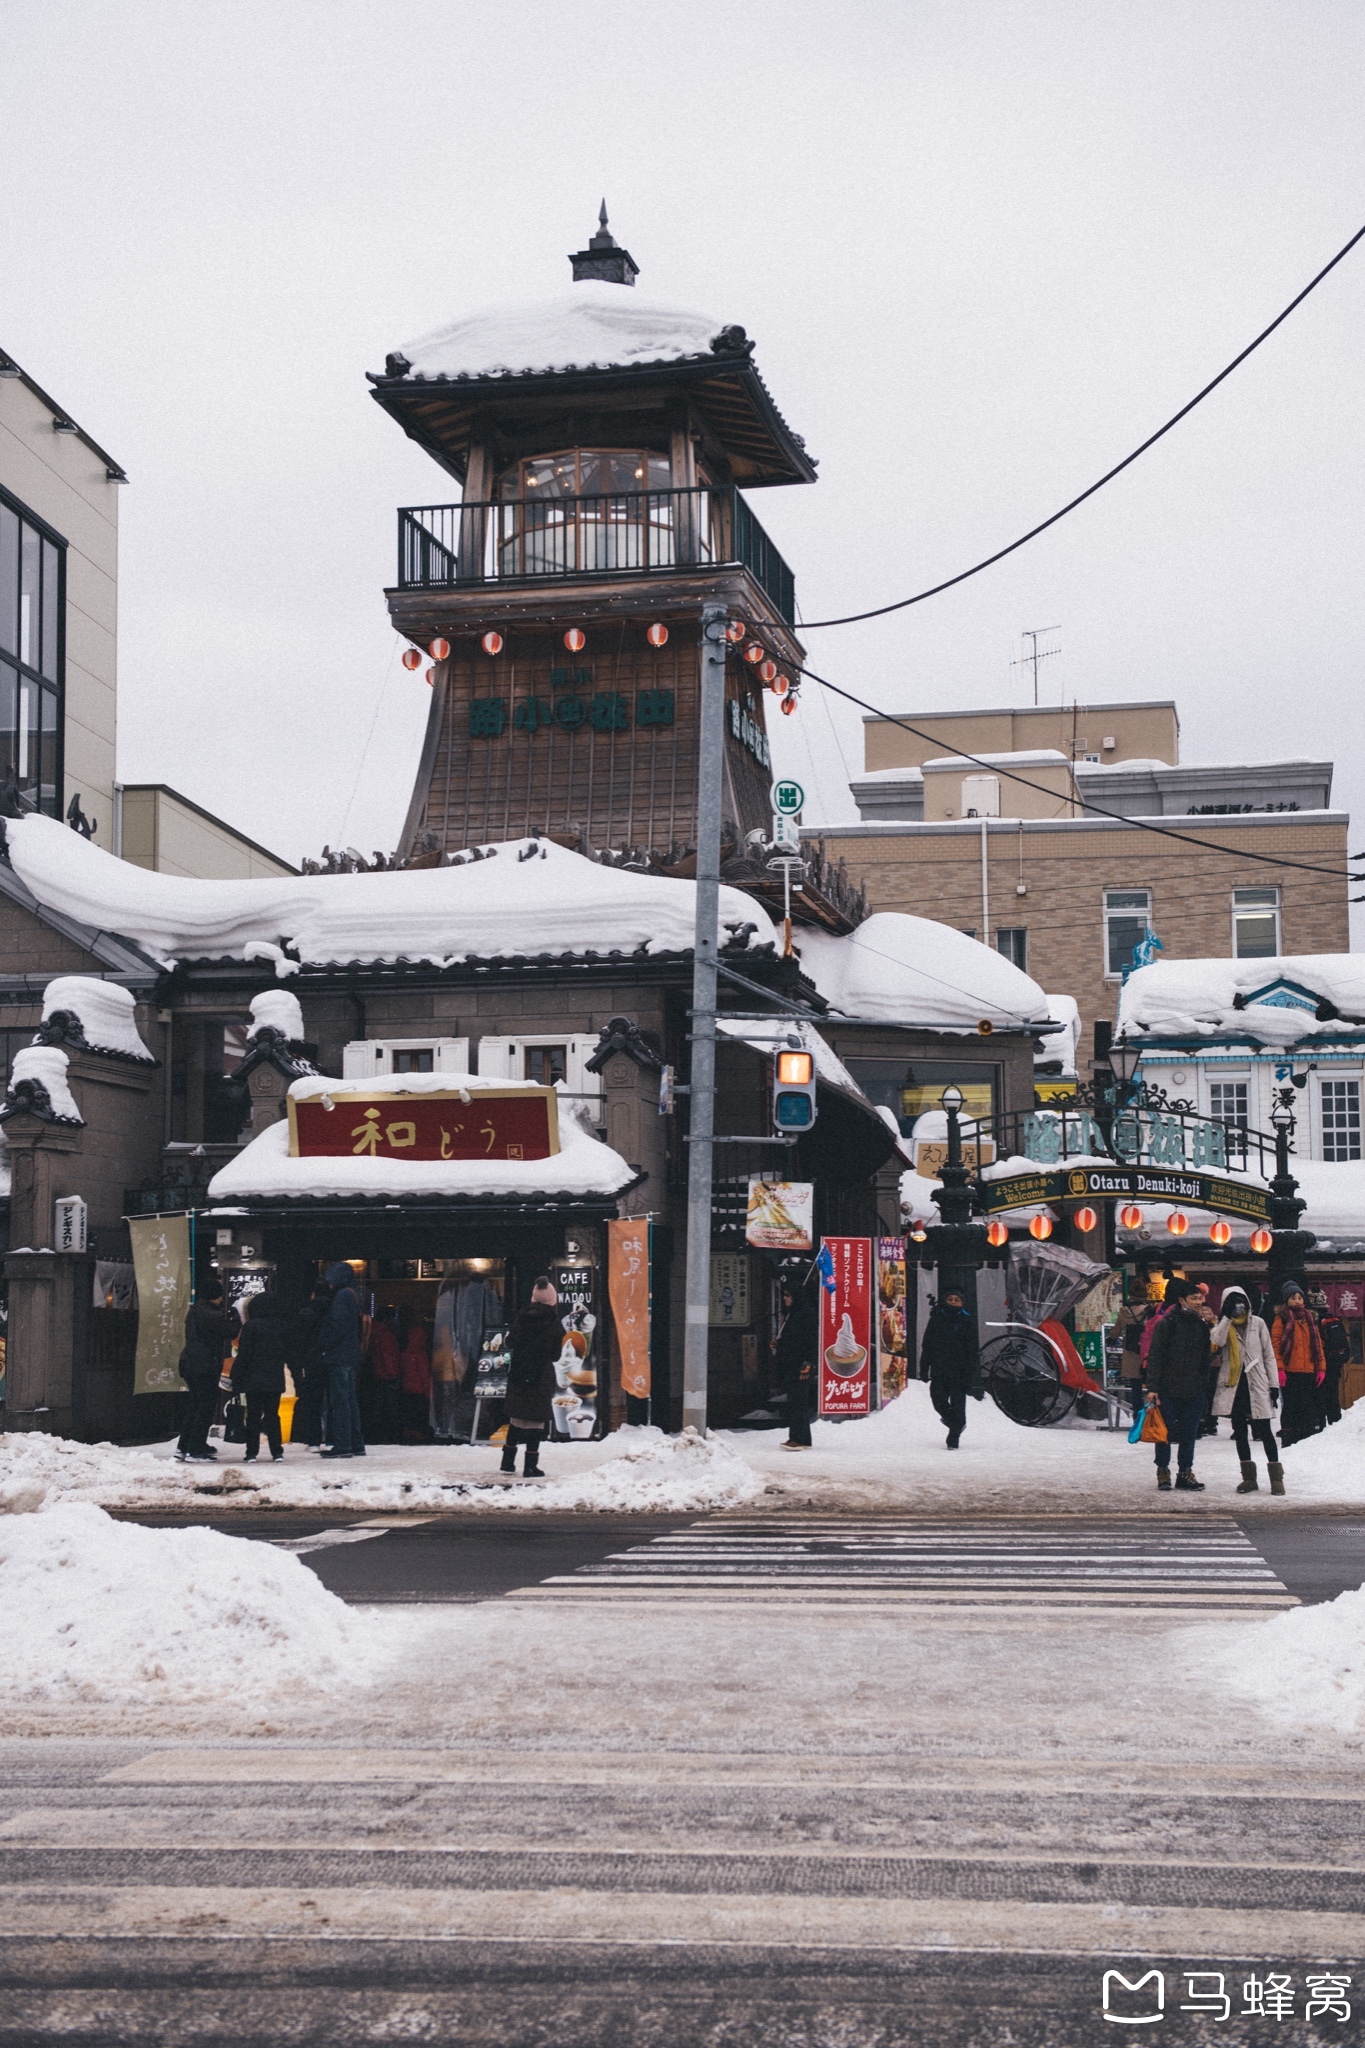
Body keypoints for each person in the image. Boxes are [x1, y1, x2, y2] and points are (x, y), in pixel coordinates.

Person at [1210, 1285, 1284, 1495]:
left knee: (1265, 1431)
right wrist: (1226, 1318)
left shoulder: (1258, 1323)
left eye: (1241, 1301)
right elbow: (1217, 1341)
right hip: (1235, 1385)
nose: (1238, 1306)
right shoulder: (1223, 1324)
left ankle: (1276, 1479)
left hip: (1257, 1382)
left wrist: (1274, 1385)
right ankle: (1249, 1478)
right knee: (1240, 1432)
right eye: (1233, 1302)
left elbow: (1269, 1355)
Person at [1144, 1276, 1216, 1490]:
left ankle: (1185, 1472)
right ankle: (1163, 1471)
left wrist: (1204, 1385)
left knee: (1189, 1433)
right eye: (1194, 1298)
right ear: (1182, 1300)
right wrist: (1153, 1388)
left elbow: (1206, 1359)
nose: (1198, 1302)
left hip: (1194, 1389)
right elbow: (1156, 1356)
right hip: (1168, 1389)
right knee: (1163, 1433)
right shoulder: (1167, 1324)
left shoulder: (1202, 1326)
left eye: (1200, 1298)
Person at [501, 1275, 560, 1477]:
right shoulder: (553, 1324)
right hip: (540, 1376)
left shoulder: (521, 1318)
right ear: (552, 1300)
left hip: (518, 1373)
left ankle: (507, 1462)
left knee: (517, 1418)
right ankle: (530, 1466)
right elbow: (556, 1355)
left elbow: (509, 1342)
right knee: (535, 1422)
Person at [173, 1279, 238, 1463]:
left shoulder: (195, 1310)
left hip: (190, 1363)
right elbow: (231, 1330)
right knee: (205, 1407)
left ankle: (183, 1447)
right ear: (216, 1296)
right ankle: (195, 1450)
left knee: (195, 1406)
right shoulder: (211, 1315)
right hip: (205, 1365)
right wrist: (235, 1317)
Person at [230, 1290, 289, 1462]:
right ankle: (277, 1452)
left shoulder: (251, 1326)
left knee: (253, 1415)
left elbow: (244, 1354)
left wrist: (236, 1376)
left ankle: (251, 1453)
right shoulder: (280, 1325)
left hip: (253, 1377)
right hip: (275, 1377)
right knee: (273, 1415)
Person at [920, 1284, 979, 1450]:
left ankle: (953, 1439)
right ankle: (956, 1424)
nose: (953, 1302)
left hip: (959, 1373)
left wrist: (970, 1375)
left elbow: (972, 1350)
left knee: (958, 1407)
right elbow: (927, 1345)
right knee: (938, 1401)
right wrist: (924, 1368)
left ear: (962, 1303)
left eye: (957, 1300)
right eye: (950, 1299)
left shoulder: (967, 1320)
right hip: (939, 1370)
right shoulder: (937, 1318)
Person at [318, 1261, 366, 1460]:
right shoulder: (355, 1294)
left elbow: (337, 1325)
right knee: (349, 1400)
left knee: (339, 1401)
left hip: (339, 1354)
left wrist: (323, 1344)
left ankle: (343, 1444)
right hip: (351, 1353)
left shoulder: (341, 1295)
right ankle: (356, 1443)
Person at [1271, 1281, 1325, 1450]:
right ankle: (1289, 1438)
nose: (1297, 1301)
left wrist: (1321, 1368)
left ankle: (1304, 1438)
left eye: (1299, 1297)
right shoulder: (1281, 1319)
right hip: (1290, 1370)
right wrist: (1279, 1369)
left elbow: (1317, 1346)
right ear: (1286, 1300)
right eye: (1293, 1298)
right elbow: (1276, 1345)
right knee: (1291, 1405)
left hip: (1308, 1369)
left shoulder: (1310, 1318)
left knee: (1306, 1405)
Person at [772, 1272, 819, 1449]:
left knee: (798, 1402)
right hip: (791, 1364)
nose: (785, 1299)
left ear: (796, 1296)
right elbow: (793, 1340)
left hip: (802, 1365)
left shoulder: (807, 1315)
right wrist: (779, 1343)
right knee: (795, 1401)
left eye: (788, 1296)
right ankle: (803, 1438)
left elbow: (811, 1341)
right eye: (784, 1296)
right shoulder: (791, 1315)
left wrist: (808, 1362)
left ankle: (798, 1438)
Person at [1114, 1287, 1162, 1414]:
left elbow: (1116, 1331)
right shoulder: (1150, 1311)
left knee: (1135, 1387)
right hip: (1147, 1352)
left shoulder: (1124, 1312)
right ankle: (1153, 1415)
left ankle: (1137, 1414)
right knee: (1152, 1385)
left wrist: (1112, 1339)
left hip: (1131, 1351)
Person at [1311, 1289, 1349, 1427]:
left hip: (1321, 1366)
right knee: (1333, 1398)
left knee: (1318, 1398)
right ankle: (1336, 1425)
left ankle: (1320, 1427)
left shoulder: (1314, 1322)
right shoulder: (1333, 1320)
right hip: (1335, 1365)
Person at [367, 1305, 402, 1443]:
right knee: (388, 1409)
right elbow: (388, 1357)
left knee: (377, 1408)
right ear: (388, 1319)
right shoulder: (385, 1334)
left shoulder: (372, 1331)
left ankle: (376, 1434)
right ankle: (388, 1437)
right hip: (386, 1377)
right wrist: (394, 1375)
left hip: (376, 1375)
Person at [398, 1312, 432, 1442]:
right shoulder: (420, 1354)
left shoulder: (405, 1353)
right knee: (419, 1415)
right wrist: (428, 1392)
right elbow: (424, 1374)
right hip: (419, 1391)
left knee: (409, 1413)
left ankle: (408, 1433)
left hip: (407, 1389)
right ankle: (418, 1435)